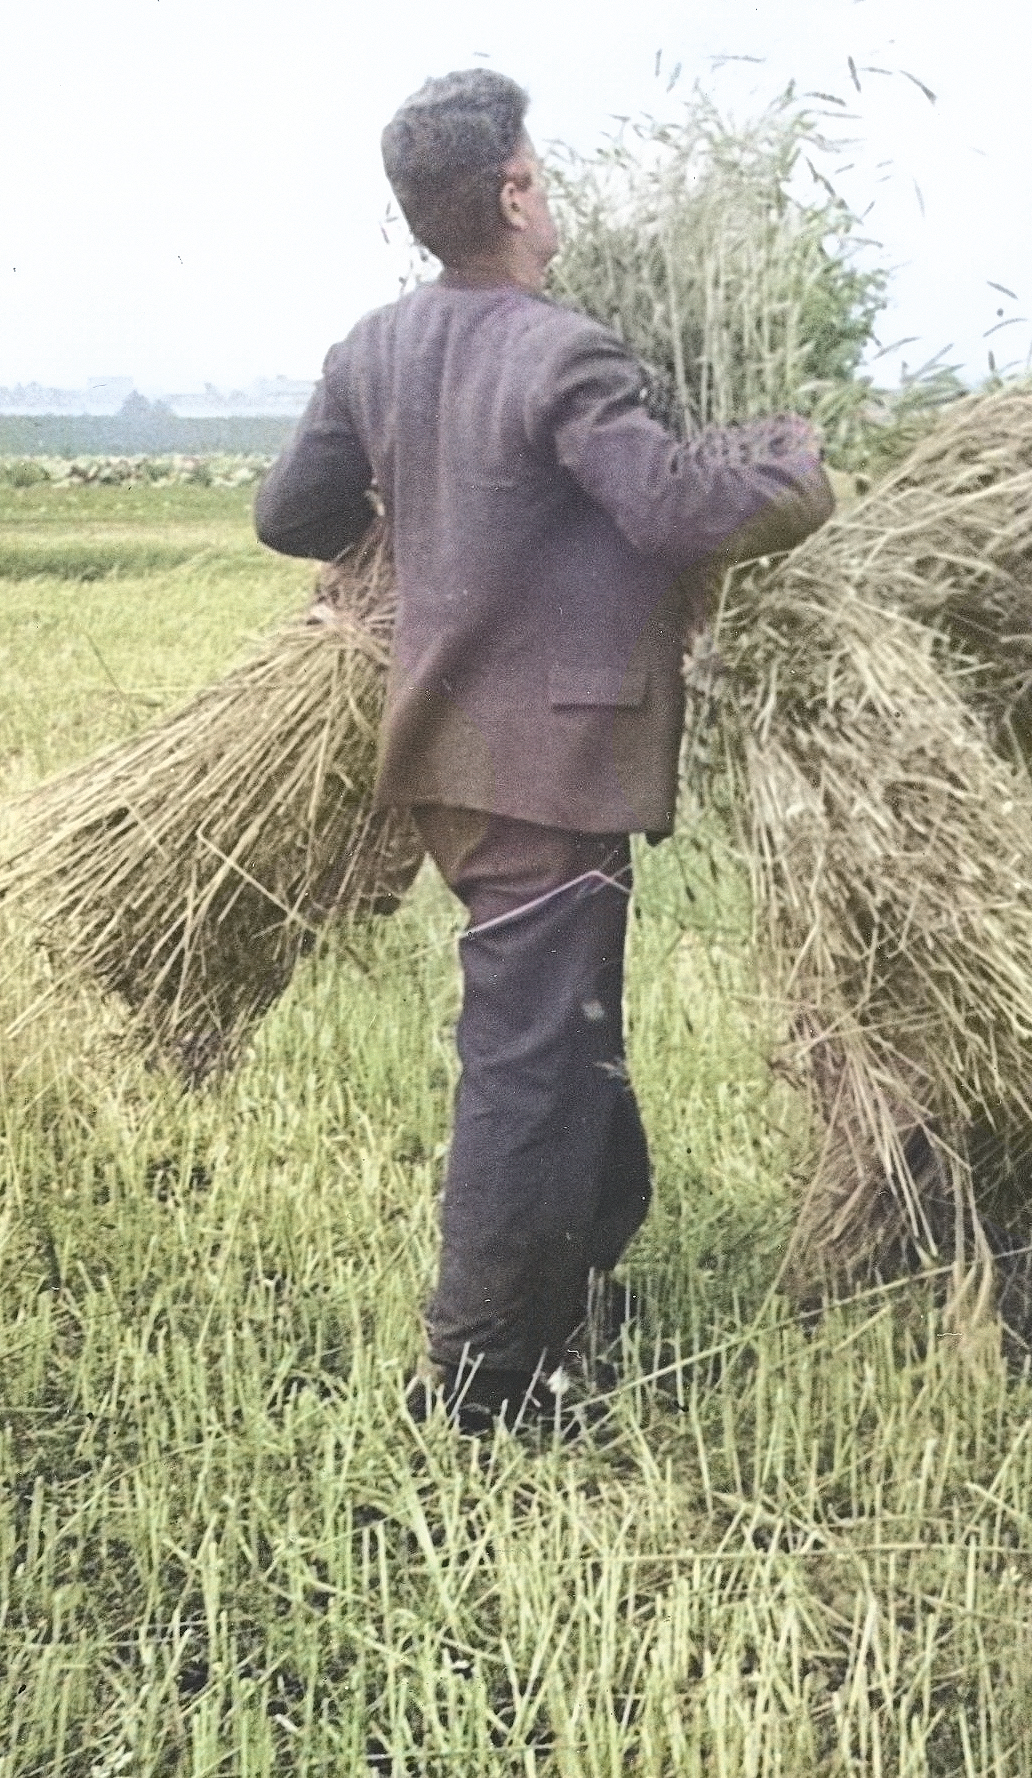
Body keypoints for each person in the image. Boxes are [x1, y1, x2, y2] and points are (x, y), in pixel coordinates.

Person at [253, 70, 834, 1433]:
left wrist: (420, 525)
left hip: (447, 756)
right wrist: (792, 469)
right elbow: (670, 509)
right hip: (550, 770)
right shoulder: (565, 352)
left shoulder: (375, 347)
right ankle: (480, 1381)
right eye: (540, 169)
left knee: (567, 1030)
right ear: (514, 192)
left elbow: (290, 514)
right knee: (527, 1064)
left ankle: (582, 1275)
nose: (550, 189)